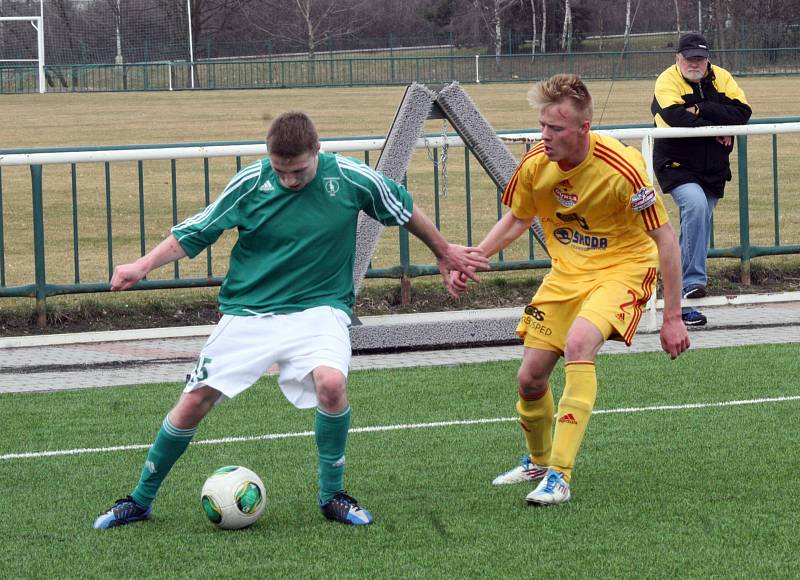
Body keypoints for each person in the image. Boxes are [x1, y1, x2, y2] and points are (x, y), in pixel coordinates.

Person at [93, 111, 489, 528]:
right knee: (194, 401)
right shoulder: (250, 182)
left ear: (317, 151)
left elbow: (403, 209)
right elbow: (197, 230)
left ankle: (332, 494)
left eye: (298, 171)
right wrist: (143, 265)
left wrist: (444, 251)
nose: (289, 180)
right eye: (280, 171)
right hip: (249, 311)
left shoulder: (353, 178)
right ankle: (139, 500)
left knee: (332, 384)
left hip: (320, 308)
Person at [452, 74, 690, 506]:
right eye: (542, 125)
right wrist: (474, 258)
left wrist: (672, 317)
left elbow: (665, 241)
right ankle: (539, 461)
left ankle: (559, 476)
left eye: (556, 128)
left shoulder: (624, 167)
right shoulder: (535, 164)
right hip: (567, 275)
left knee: (580, 343)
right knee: (529, 379)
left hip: (624, 269)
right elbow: (519, 218)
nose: (545, 136)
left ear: (583, 128)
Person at [651, 31, 752, 326]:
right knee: (695, 207)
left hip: (712, 167)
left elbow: (743, 112)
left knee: (699, 221)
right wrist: (719, 126)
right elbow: (676, 118)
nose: (695, 63)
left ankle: (679, 303)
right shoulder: (666, 81)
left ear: (707, 60)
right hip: (676, 163)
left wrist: (704, 109)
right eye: (689, 58)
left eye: (700, 58)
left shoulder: (722, 77)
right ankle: (692, 284)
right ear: (678, 59)